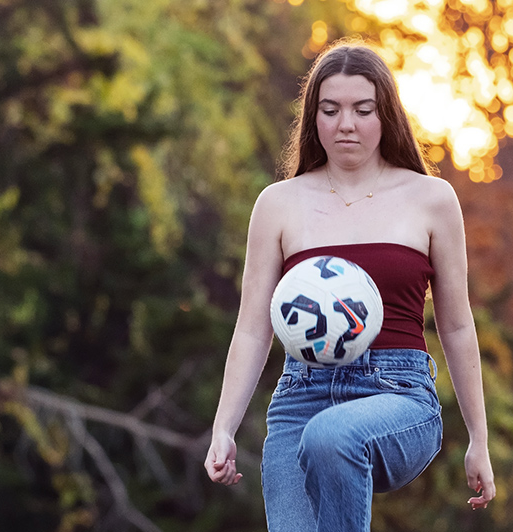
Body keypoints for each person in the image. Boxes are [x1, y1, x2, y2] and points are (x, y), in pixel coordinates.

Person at [204, 39, 495, 531]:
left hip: (399, 394)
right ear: (313, 117)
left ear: (386, 115)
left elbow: (458, 325)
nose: (346, 124)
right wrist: (223, 427)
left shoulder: (432, 199)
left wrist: (479, 440)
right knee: (317, 435)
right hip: (301, 394)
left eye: (363, 109)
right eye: (331, 109)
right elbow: (254, 328)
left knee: (331, 436)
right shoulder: (278, 204)